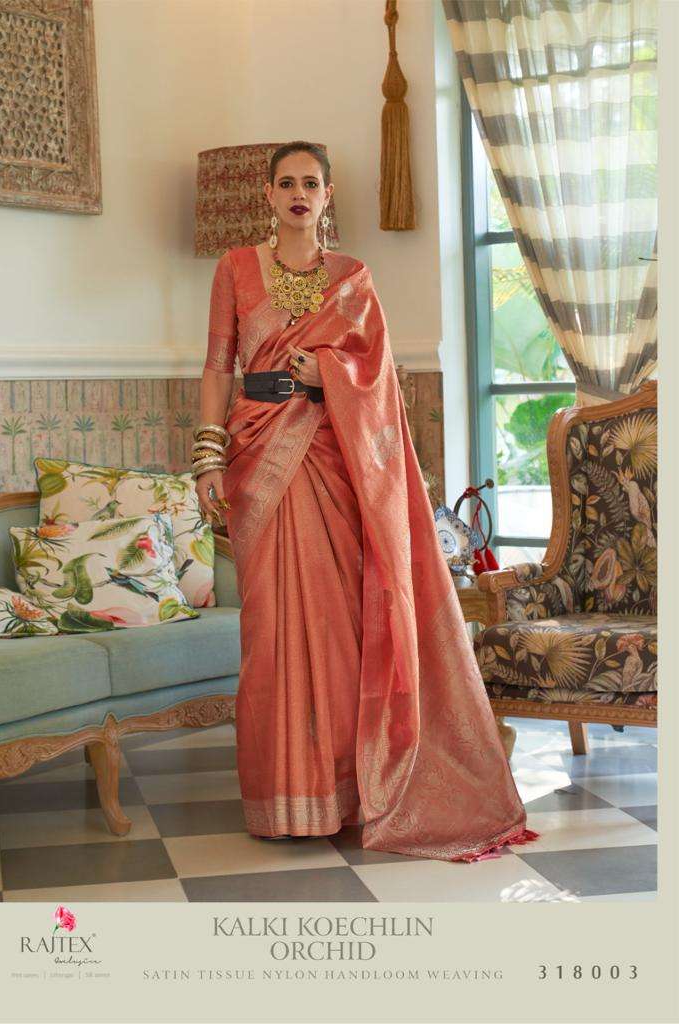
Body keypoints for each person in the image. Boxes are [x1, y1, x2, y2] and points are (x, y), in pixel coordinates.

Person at [193, 140, 540, 862]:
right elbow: (217, 366)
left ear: (327, 195)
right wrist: (207, 456)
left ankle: (344, 793)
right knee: (268, 631)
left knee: (337, 628)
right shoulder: (235, 269)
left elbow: (377, 376)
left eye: (310, 183)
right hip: (257, 457)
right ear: (267, 194)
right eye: (286, 182)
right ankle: (283, 796)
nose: (298, 193)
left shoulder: (352, 277)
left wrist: (325, 371)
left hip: (331, 456)